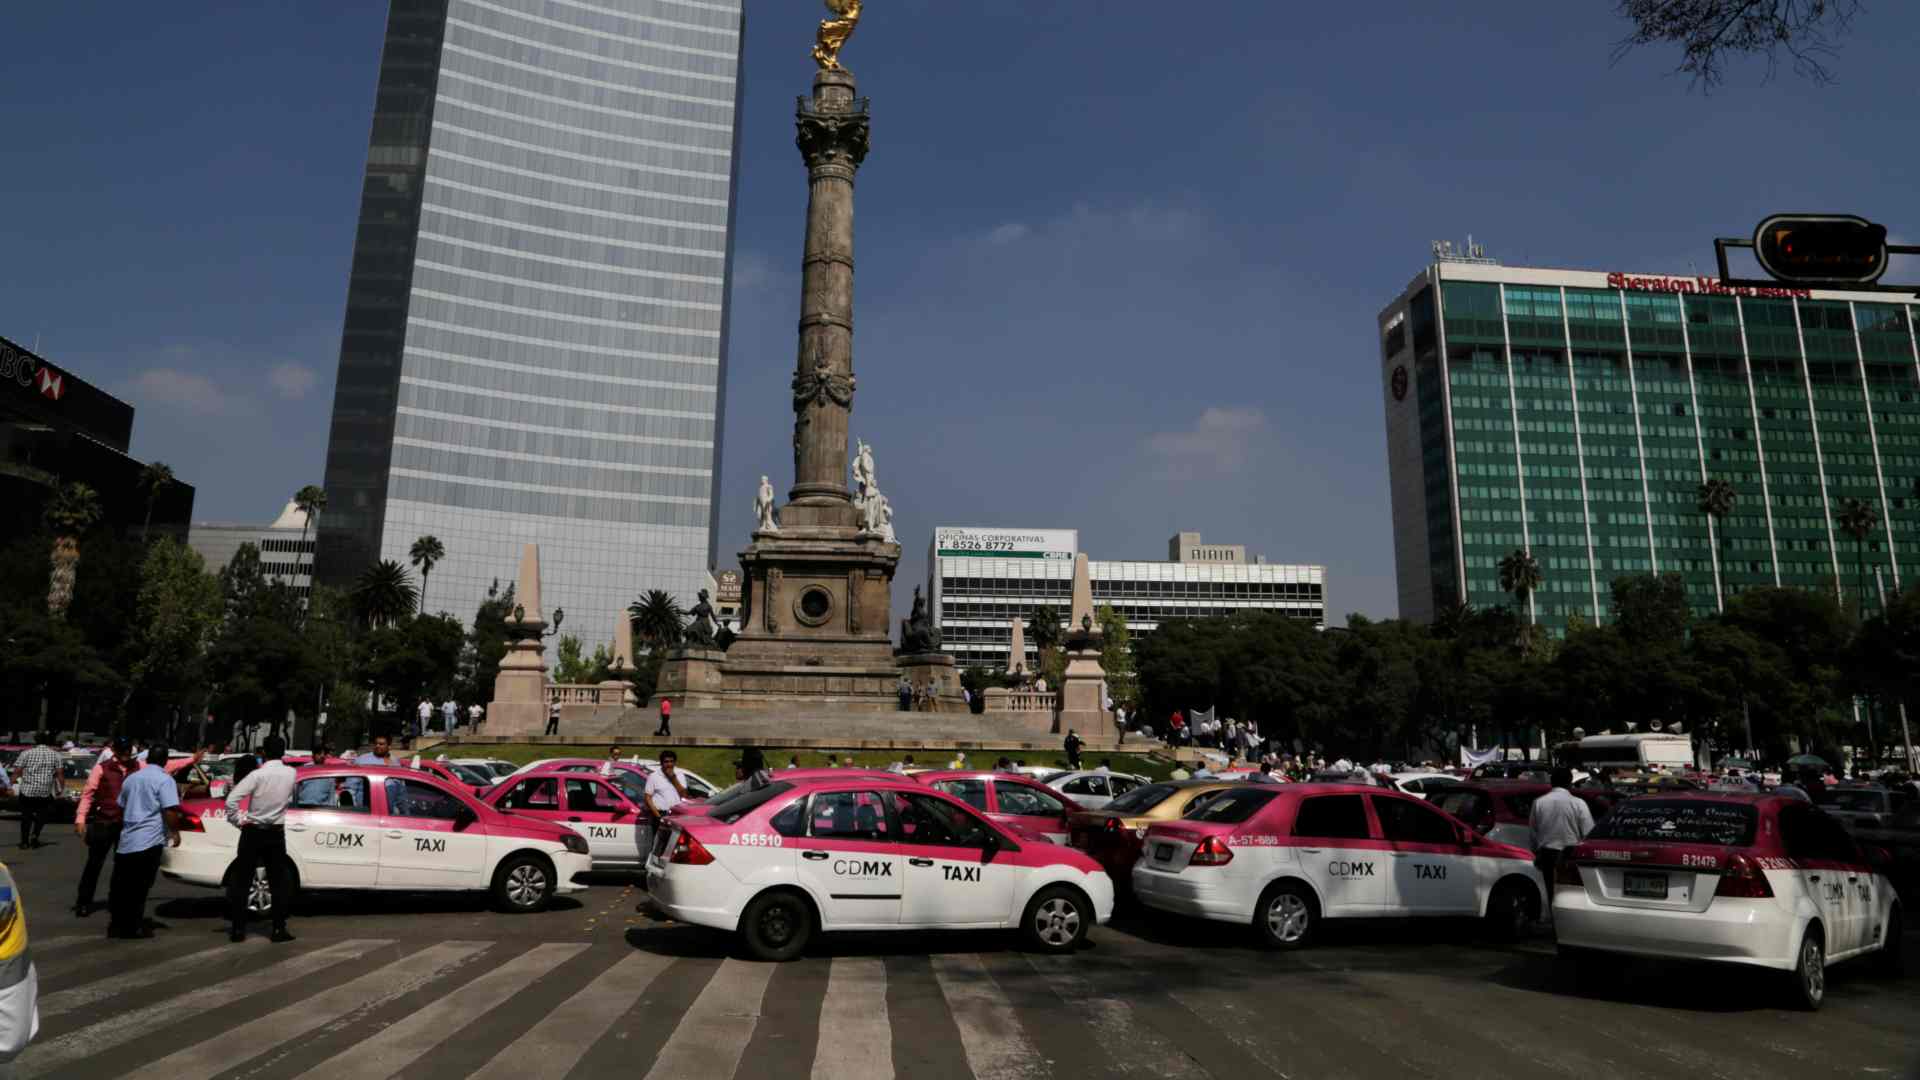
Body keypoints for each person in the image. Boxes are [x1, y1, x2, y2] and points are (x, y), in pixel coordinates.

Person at [223, 735, 298, 944]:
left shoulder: (257, 775)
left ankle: (238, 929)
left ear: (263, 752)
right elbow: (290, 798)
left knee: (243, 880)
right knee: (278, 882)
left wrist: (239, 821)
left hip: (253, 831)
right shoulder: (291, 774)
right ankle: (278, 929)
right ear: (283, 752)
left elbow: (231, 801)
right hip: (276, 832)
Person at [107, 740, 183, 939]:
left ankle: (116, 924)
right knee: (140, 886)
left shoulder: (132, 778)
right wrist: (175, 832)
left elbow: (121, 805)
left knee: (121, 886)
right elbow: (169, 810)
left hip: (127, 840)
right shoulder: (165, 780)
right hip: (149, 839)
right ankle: (133, 926)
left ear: (148, 759)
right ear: (165, 761)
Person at [73, 737, 137, 916]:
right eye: (122, 751)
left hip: (126, 824)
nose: (126, 755)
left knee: (122, 867)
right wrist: (80, 818)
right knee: (94, 864)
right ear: (115, 751)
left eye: (128, 752)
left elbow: (163, 767)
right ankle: (83, 902)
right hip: (104, 822)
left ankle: (117, 901)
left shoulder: (138, 767)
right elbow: (88, 794)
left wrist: (191, 760)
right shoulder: (102, 768)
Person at [1528, 767, 1594, 889]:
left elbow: (1533, 832)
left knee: (1549, 890)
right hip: (1570, 855)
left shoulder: (1539, 802)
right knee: (1569, 893)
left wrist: (1536, 853)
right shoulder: (1578, 803)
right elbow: (1588, 832)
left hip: (1546, 854)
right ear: (1570, 783)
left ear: (1552, 782)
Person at [12, 734, 63, 850]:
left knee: (26, 816)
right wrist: (60, 789)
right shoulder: (56, 755)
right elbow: (60, 774)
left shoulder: (26, 753)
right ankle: (35, 836)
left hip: (27, 791)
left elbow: (17, 771)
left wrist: (10, 784)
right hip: (45, 791)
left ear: (35, 741)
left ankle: (24, 842)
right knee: (42, 816)